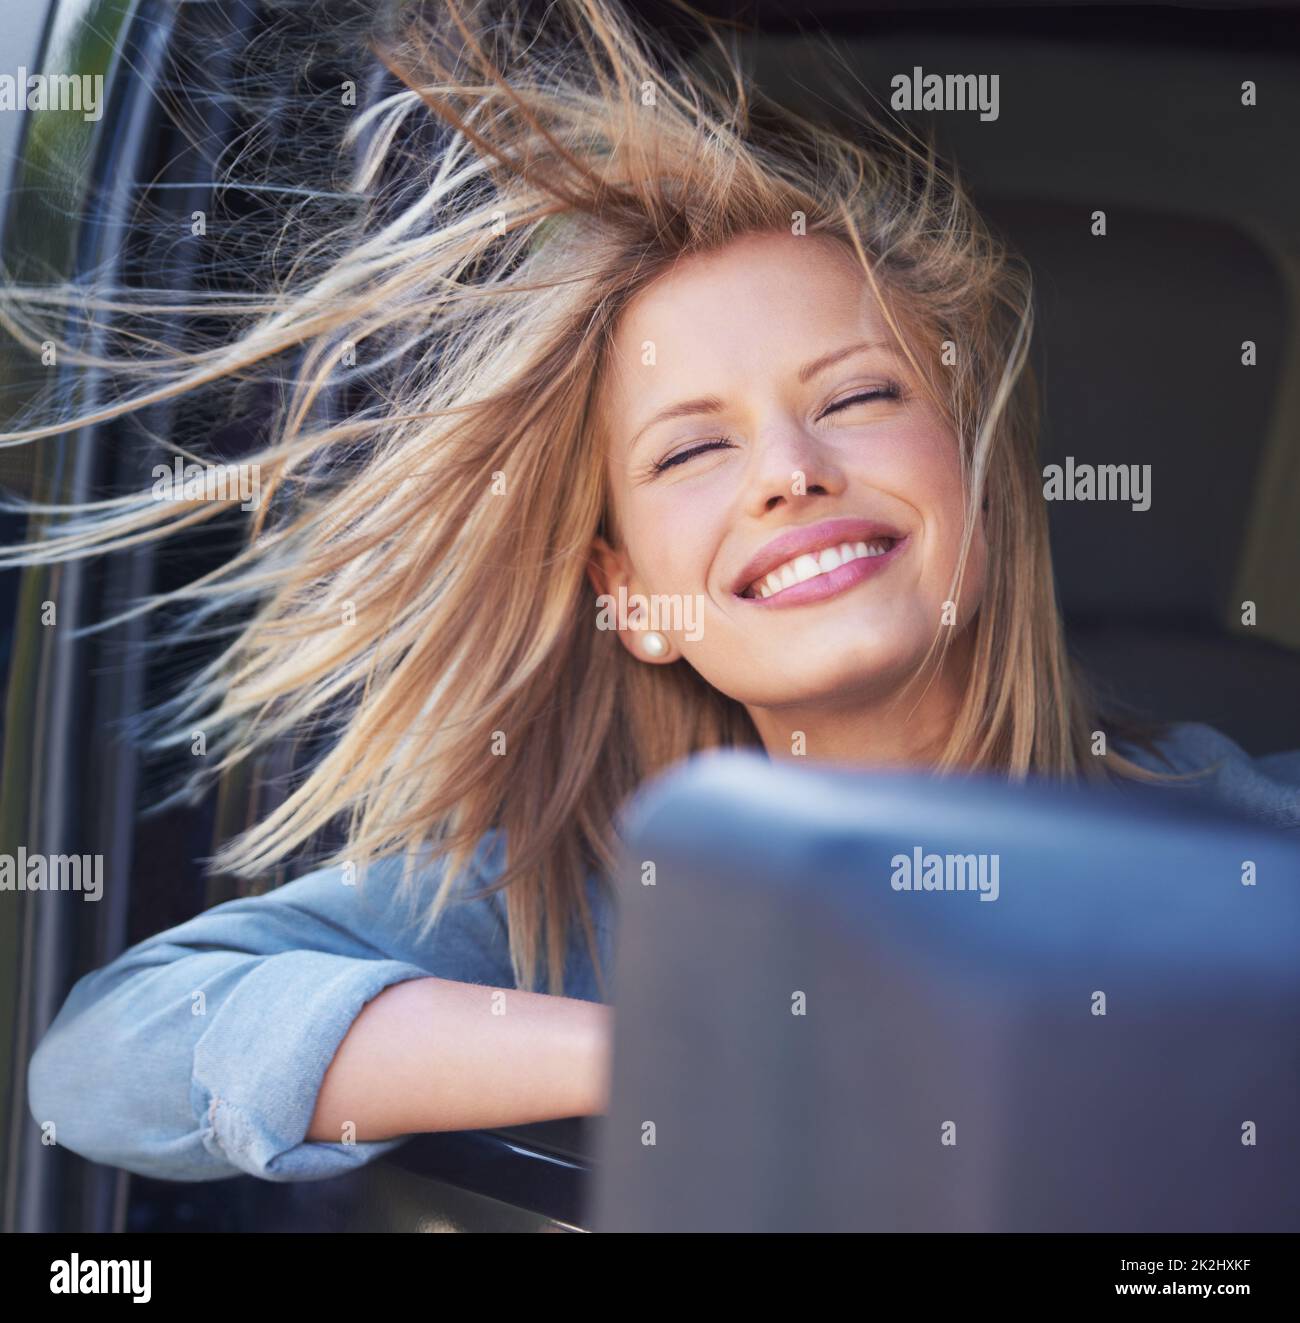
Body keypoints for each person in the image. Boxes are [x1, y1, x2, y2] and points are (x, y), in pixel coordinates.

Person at [10, 0, 1297, 1184]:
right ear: (624, 596)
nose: (790, 472)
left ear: (979, 476)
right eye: (689, 450)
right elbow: (108, 1060)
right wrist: (669, 1050)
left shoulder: (1247, 842)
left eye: (856, 397)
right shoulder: (567, 907)